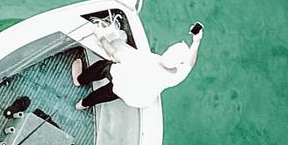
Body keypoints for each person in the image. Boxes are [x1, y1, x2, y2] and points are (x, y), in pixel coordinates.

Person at [72, 22, 204, 110]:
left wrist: (100, 36)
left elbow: (113, 53)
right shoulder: (175, 75)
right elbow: (190, 63)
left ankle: (79, 80)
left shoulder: (145, 60)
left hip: (124, 81)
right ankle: (83, 104)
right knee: (110, 92)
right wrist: (196, 41)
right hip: (137, 99)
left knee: (104, 67)